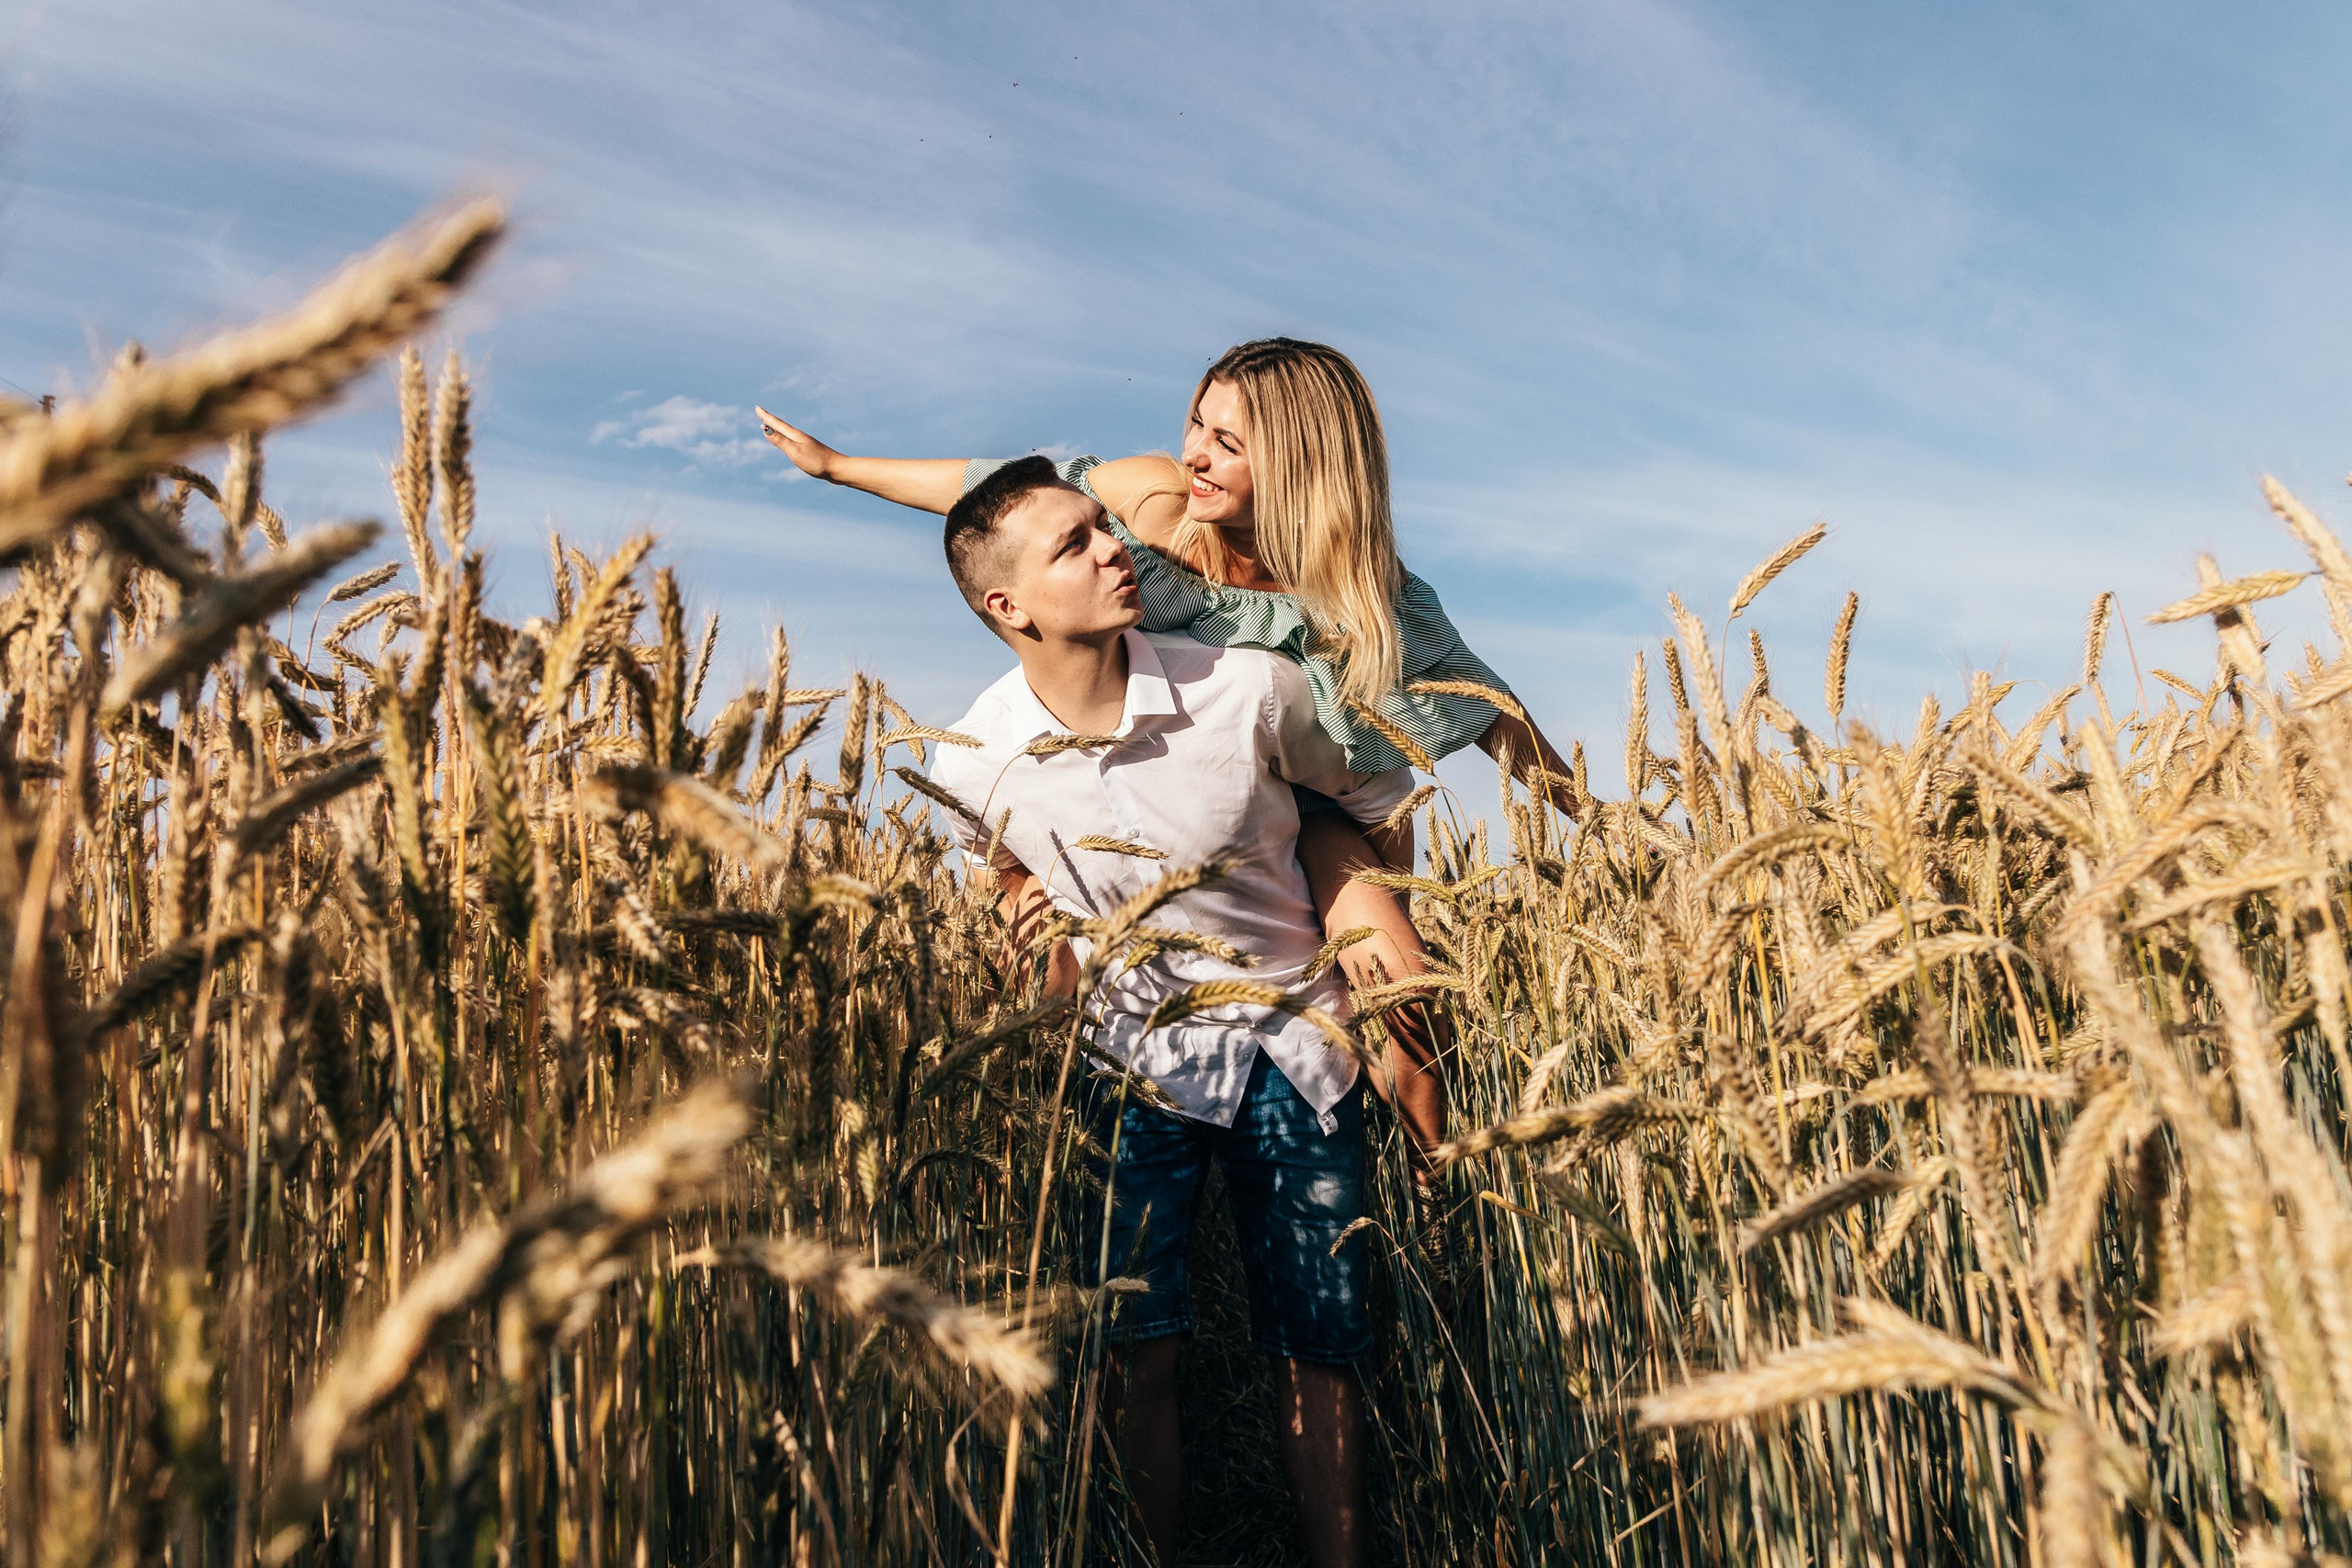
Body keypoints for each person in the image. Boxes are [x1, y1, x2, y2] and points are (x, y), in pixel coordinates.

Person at [758, 338, 1568, 1197]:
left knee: (1400, 992)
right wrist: (838, 467)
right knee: (1044, 958)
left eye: (1229, 441)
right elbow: (994, 487)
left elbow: (1483, 699)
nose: (1195, 452)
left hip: (1311, 788)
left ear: (1301, 463)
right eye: (1196, 422)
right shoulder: (1151, 503)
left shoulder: (1365, 583)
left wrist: (1598, 820)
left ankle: (1429, 1201)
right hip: (1157, 764)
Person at [926, 457, 1405, 1568]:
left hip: (1297, 1048)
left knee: (1320, 1339)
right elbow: (998, 865)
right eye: (1073, 545)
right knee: (1132, 1344)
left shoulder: (1248, 688)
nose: (1112, 550)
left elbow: (1371, 804)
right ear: (1007, 607)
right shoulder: (975, 756)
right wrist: (1019, 910)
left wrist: (1392, 967)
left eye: (1104, 525)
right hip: (1122, 1062)